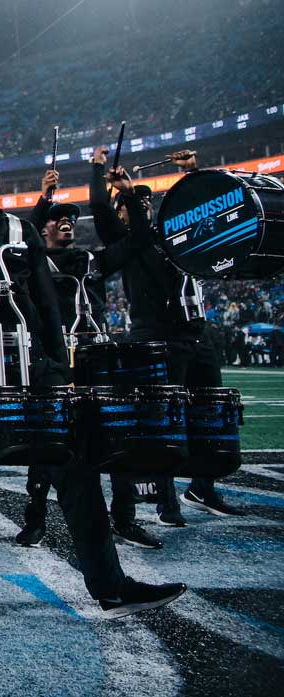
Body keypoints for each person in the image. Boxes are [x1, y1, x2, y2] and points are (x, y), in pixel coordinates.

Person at [0, 143, 185, 620]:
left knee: (76, 470)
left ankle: (110, 587)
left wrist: (59, 368)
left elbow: (47, 304)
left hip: (37, 367)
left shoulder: (21, 228)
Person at [90, 147, 243, 522]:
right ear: (122, 210)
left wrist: (192, 173)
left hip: (196, 334)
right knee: (163, 422)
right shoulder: (125, 243)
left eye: (147, 201)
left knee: (207, 414)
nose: (143, 206)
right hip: (156, 338)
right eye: (134, 202)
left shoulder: (171, 236)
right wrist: (97, 171)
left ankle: (202, 487)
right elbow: (100, 210)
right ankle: (165, 502)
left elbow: (204, 209)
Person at [16, 165, 161, 550]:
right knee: (48, 440)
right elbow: (17, 240)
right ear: (42, 228)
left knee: (116, 437)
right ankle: (35, 520)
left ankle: (125, 519)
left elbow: (139, 241)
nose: (66, 223)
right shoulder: (31, 265)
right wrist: (43, 199)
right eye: (57, 220)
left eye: (70, 220)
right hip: (55, 360)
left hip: (98, 358)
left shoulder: (92, 260)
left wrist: (127, 194)